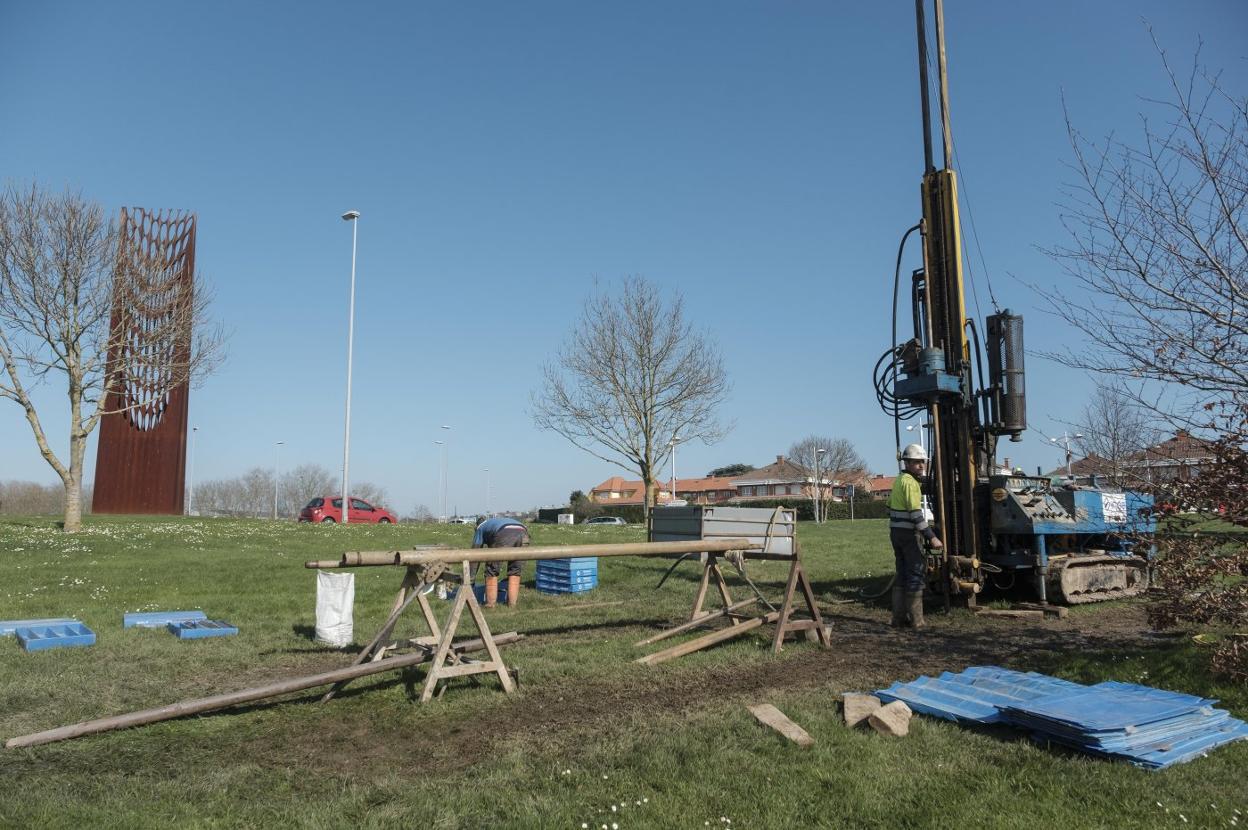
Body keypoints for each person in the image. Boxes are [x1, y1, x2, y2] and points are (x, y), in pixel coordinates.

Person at [888, 443, 943, 628]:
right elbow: (915, 513)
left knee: (901, 573)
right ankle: (917, 622)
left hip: (895, 533)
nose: (921, 466)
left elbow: (889, 506)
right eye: (917, 462)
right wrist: (931, 536)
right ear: (907, 463)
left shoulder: (899, 480)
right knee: (915, 572)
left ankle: (898, 618)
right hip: (909, 535)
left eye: (922, 462)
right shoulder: (911, 484)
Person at [471, 517, 531, 608]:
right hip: (523, 532)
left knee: (492, 571)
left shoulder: (480, 528)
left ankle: (490, 605)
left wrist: (471, 580)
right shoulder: (493, 522)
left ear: (476, 526)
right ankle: (512, 605)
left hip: (504, 532)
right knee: (515, 572)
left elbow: (474, 556)